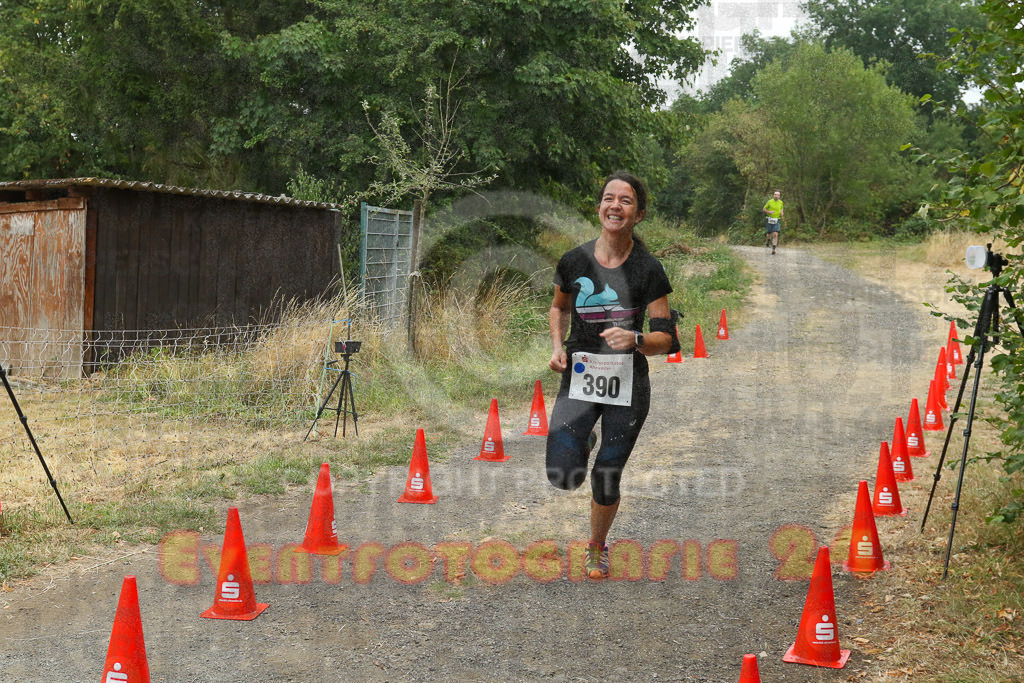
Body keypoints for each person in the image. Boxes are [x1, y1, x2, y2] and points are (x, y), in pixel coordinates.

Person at [545, 171, 680, 580]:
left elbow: (667, 339)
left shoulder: (648, 269)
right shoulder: (574, 260)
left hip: (628, 384)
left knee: (606, 473)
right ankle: (584, 439)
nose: (615, 205)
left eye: (626, 200)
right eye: (609, 198)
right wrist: (557, 346)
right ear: (599, 207)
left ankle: (596, 546)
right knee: (563, 475)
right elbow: (559, 307)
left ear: (639, 214)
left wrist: (636, 338)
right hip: (581, 376)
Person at [762, 190, 784, 255]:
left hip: (777, 219)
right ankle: (768, 240)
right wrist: (769, 212)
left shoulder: (781, 202)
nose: (776, 196)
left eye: (777, 195)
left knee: (775, 234)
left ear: (779, 196)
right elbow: (764, 209)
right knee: (769, 233)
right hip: (769, 219)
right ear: (773, 195)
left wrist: (782, 213)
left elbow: (782, 209)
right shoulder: (769, 202)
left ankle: (773, 249)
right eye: (775, 194)